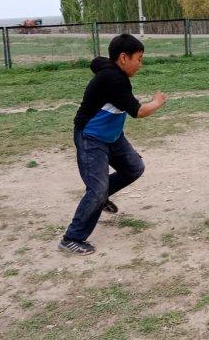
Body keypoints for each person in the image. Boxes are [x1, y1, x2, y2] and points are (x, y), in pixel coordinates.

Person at [59, 33, 167, 255]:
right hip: (91, 138)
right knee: (97, 190)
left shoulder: (115, 74)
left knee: (134, 168)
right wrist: (156, 102)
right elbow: (138, 111)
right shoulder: (112, 78)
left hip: (113, 137)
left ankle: (101, 196)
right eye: (139, 58)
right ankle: (72, 237)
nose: (141, 64)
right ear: (124, 57)